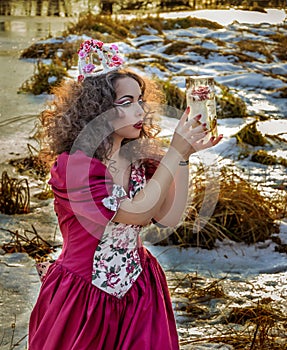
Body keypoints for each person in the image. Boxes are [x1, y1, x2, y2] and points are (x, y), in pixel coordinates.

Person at [29, 39, 222, 350]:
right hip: (83, 298)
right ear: (99, 110)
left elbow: (169, 218)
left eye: (141, 99)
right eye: (127, 101)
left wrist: (184, 157)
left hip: (140, 293)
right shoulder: (74, 168)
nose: (141, 109)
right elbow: (135, 212)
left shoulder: (139, 159)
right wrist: (174, 151)